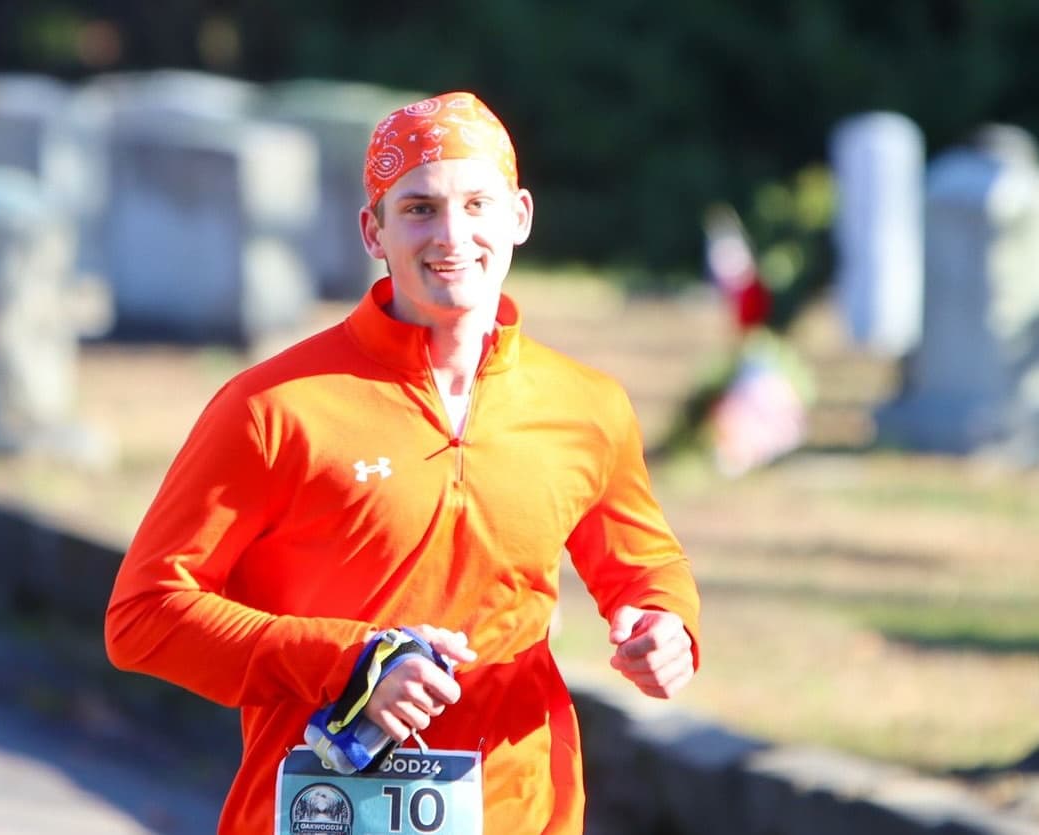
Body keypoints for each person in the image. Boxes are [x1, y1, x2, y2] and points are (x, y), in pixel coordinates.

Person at [105, 91, 701, 835]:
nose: (452, 235)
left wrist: (663, 624)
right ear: (373, 230)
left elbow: (644, 569)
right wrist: (349, 660)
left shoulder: (588, 406)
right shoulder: (274, 406)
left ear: (519, 216)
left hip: (522, 810)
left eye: (476, 204)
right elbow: (144, 616)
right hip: (317, 811)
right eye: (419, 208)